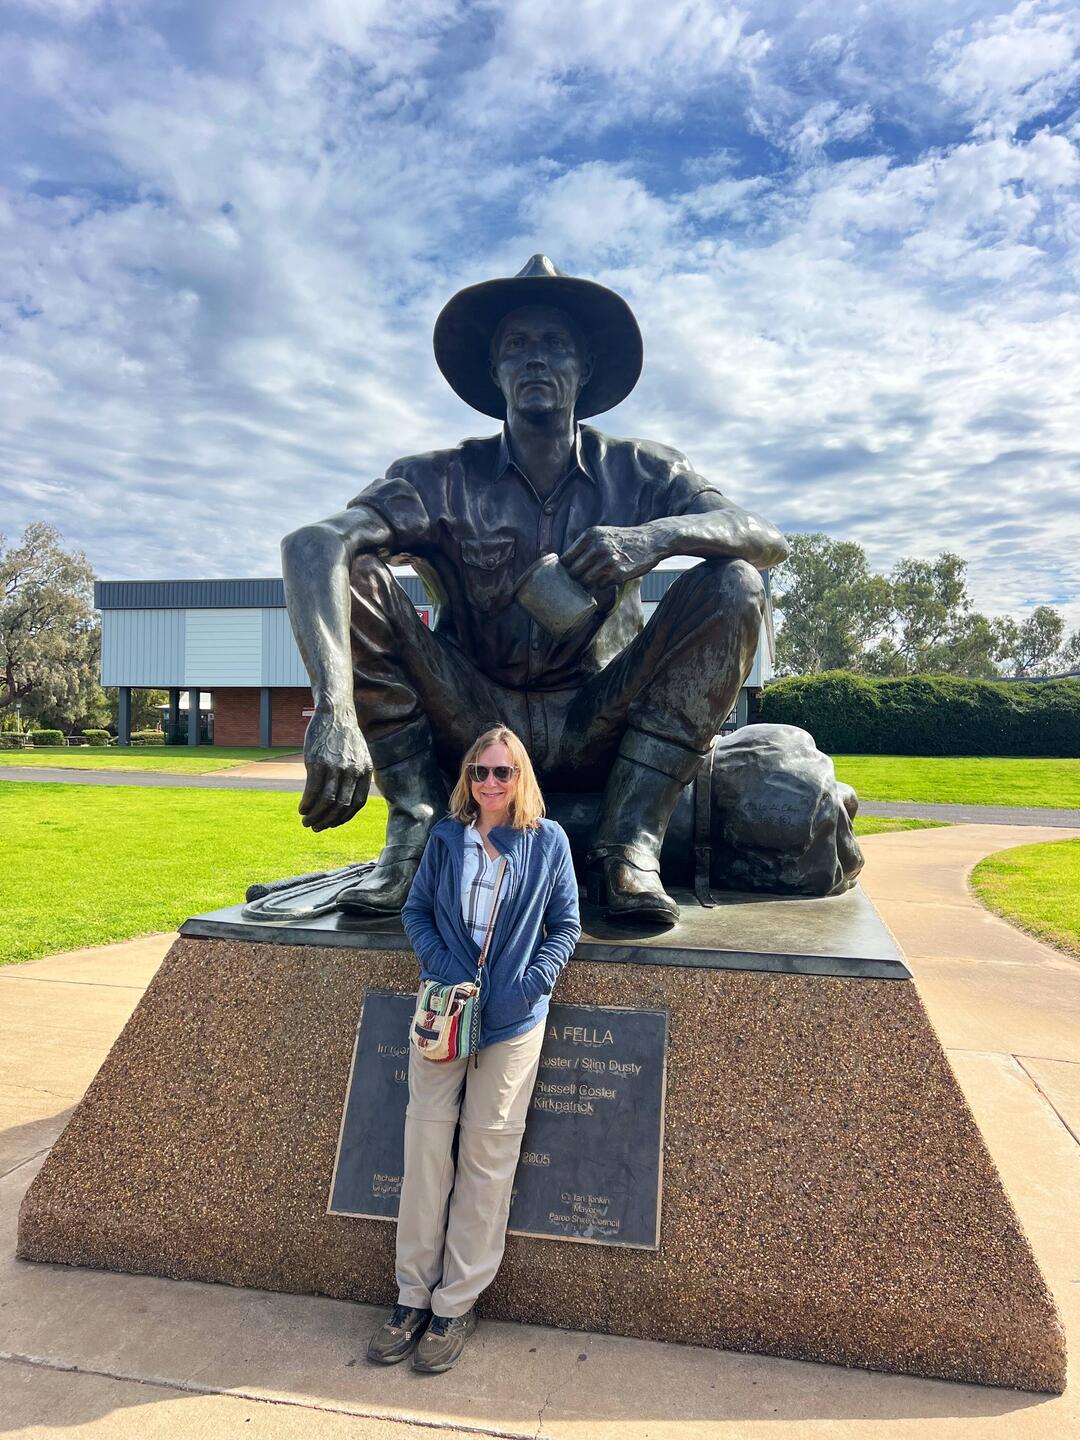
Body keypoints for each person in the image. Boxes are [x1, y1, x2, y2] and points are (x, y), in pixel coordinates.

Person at [282, 255, 788, 926]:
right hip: (470, 716)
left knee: (734, 583)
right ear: (496, 376)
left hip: (597, 715)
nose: (534, 361)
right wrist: (333, 709)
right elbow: (312, 543)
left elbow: (764, 536)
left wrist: (655, 538)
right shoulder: (441, 478)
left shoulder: (642, 470)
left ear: (584, 369)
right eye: (516, 347)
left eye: (555, 346)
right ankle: (416, 826)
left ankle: (630, 841)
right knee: (357, 576)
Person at [367, 725, 580, 1374]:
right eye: (481, 772)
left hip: (513, 1024)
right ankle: (411, 1299)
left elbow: (567, 925)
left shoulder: (548, 844)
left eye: (503, 772)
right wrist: (440, 967)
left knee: (487, 1161)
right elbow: (417, 913)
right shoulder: (444, 839)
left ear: (521, 779)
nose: (491, 783)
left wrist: (533, 981)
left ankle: (455, 1305)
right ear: (468, 779)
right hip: (443, 1015)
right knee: (427, 1152)